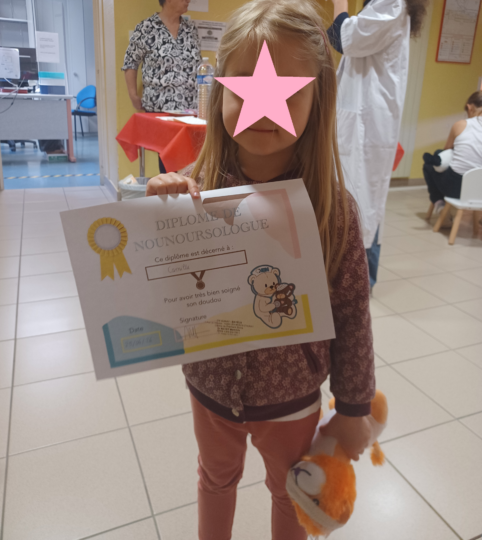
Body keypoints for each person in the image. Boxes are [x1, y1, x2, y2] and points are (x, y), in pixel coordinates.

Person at [146, 1, 375, 539]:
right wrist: (158, 207)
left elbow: (352, 314)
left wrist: (353, 406)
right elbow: (164, 281)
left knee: (288, 490)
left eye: (289, 91)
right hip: (210, 386)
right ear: (220, 91)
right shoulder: (194, 192)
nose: (265, 106)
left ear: (318, 98)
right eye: (244, 86)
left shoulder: (333, 210)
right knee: (215, 478)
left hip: (291, 396)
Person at [327, 0, 428, 290]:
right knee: (362, 200)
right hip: (363, 122)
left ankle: (358, 284)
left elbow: (343, 38)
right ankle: (356, 280)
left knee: (361, 202)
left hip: (366, 126)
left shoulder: (391, 3)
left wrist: (339, 5)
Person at [122, 0, 202, 173]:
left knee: (192, 158)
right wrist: (133, 95)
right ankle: (171, 189)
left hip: (189, 108)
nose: (188, 0)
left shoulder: (190, 29)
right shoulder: (146, 28)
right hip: (159, 107)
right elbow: (130, 62)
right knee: (168, 160)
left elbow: (198, 65)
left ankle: (188, 188)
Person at [423, 91, 482, 212]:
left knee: (430, 164)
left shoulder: (461, 125)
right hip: (479, 191)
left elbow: (447, 151)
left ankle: (439, 203)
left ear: (469, 107)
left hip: (455, 188)